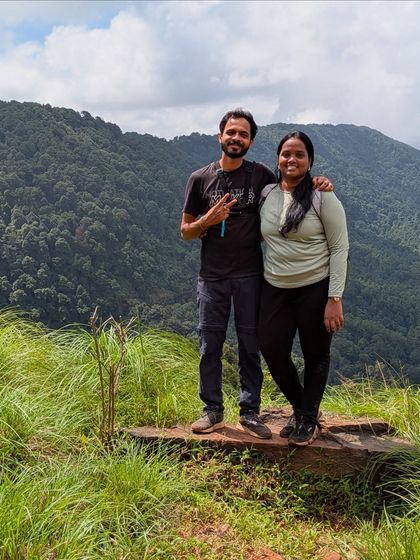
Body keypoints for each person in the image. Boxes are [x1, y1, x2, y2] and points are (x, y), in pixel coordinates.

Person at [180, 110, 333, 439]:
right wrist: (207, 221)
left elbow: (291, 186)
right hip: (211, 277)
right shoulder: (199, 178)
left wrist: (318, 182)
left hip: (251, 275)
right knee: (210, 345)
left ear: (250, 141)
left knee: (251, 344)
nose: (236, 138)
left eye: (243, 134)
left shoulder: (260, 176)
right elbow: (186, 231)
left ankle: (250, 412)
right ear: (220, 136)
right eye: (231, 132)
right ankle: (213, 411)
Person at [258, 131, 349, 446]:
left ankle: (308, 420)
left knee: (316, 354)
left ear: (310, 160)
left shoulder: (324, 196)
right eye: (286, 154)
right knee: (271, 348)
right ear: (278, 159)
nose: (291, 160)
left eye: (299, 155)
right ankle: (301, 408)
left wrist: (334, 298)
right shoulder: (266, 193)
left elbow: (339, 248)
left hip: (315, 287)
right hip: (275, 288)